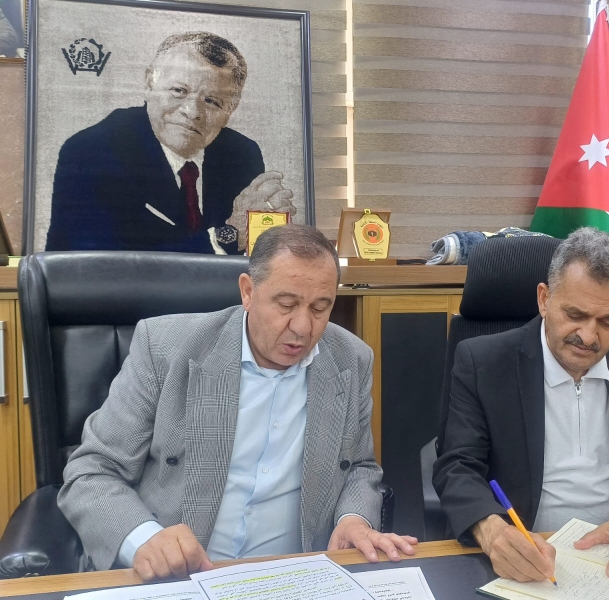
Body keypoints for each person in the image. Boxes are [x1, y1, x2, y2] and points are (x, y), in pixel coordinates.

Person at [58, 224, 417, 580]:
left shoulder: (351, 360)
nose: (303, 327)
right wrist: (145, 540)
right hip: (179, 577)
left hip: (294, 576)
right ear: (247, 291)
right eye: (287, 304)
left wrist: (353, 519)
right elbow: (92, 472)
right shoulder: (164, 347)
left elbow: (359, 467)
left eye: (320, 308)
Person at [432, 227, 609, 586]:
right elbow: (457, 467)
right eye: (575, 314)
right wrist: (491, 529)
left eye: (608, 321)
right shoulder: (484, 362)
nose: (588, 336)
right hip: (530, 549)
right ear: (544, 299)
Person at [45, 31, 295, 254]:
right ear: (150, 84)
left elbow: (255, 260)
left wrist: (269, 228)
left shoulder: (241, 154)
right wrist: (227, 236)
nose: (193, 112)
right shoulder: (92, 152)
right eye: (179, 91)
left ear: (231, 108)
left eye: (212, 101)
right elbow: (103, 268)